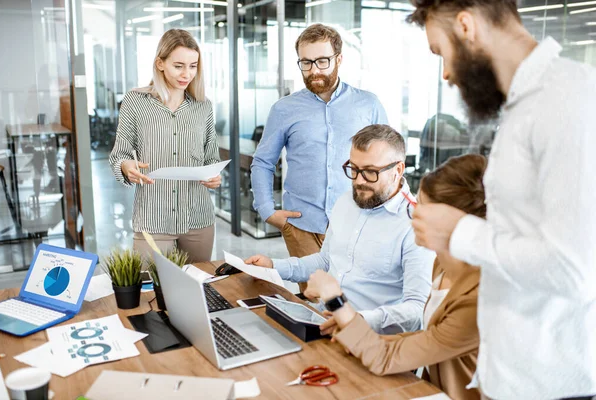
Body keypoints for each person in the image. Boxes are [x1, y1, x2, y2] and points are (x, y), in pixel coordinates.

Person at [406, 1, 596, 399]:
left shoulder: (566, 99)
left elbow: (573, 269)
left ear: (466, 26)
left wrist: (460, 232)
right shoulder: (522, 108)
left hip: (549, 389)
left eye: (441, 52)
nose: (445, 74)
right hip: (507, 381)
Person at [305, 154, 487, 400]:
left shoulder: (478, 300)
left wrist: (334, 298)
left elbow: (384, 358)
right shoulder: (442, 266)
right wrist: (356, 327)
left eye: (422, 207)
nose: (412, 214)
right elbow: (430, 338)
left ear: (454, 222)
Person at [247, 125, 433, 335]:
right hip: (322, 320)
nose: (359, 181)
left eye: (370, 172)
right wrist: (272, 267)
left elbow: (418, 310)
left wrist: (353, 319)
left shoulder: (416, 224)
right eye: (353, 169)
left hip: (369, 339)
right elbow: (326, 261)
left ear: (398, 170)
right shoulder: (347, 201)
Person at [251, 24, 389, 292]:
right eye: (306, 62)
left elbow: (387, 164)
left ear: (339, 59)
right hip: (302, 224)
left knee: (351, 298)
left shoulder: (368, 105)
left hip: (355, 223)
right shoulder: (284, 109)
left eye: (322, 61)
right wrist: (267, 210)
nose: (314, 70)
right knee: (314, 302)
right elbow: (263, 161)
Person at [109, 29, 221, 264]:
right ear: (160, 63)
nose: (187, 74)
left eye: (193, 66)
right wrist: (127, 166)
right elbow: (119, 154)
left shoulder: (203, 106)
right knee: (151, 297)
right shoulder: (135, 101)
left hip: (198, 219)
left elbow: (211, 158)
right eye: (178, 65)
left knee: (196, 290)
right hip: (153, 218)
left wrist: (214, 176)